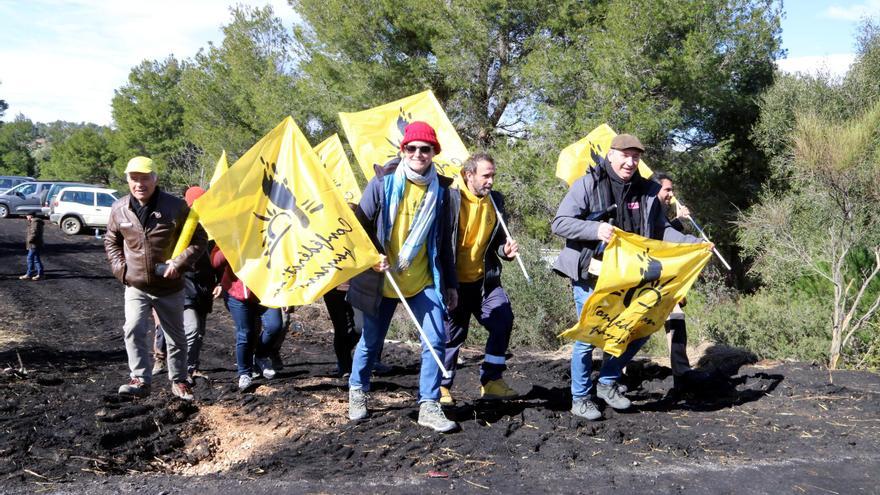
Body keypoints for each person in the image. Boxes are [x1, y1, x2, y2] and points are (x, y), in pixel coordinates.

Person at [551, 134, 704, 420]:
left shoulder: (648, 191)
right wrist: (594, 230)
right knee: (589, 337)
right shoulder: (588, 184)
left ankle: (608, 383)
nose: (631, 162)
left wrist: (690, 242)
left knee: (640, 328)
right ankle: (580, 397)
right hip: (590, 272)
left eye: (636, 157)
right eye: (625, 155)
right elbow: (560, 223)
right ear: (611, 155)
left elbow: (660, 231)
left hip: (630, 276)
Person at [346, 121, 459, 433]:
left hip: (423, 280)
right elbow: (359, 229)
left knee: (436, 341)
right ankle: (357, 390)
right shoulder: (381, 185)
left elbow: (444, 244)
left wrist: (450, 283)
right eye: (412, 148)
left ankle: (429, 405)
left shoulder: (444, 193)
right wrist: (372, 256)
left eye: (425, 149)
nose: (418, 154)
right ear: (403, 150)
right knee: (371, 341)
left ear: (434, 152)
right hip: (383, 280)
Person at [104, 156, 207, 401]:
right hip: (136, 285)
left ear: (155, 179)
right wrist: (122, 271)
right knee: (133, 328)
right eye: (134, 178)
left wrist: (179, 263)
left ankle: (180, 380)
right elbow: (111, 241)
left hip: (169, 286)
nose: (139, 184)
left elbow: (199, 239)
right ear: (128, 180)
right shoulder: (119, 209)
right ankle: (140, 379)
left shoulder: (176, 206)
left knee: (176, 337)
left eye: (145, 178)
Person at [440, 152, 519, 405]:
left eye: (493, 175)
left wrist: (505, 252)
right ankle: (441, 387)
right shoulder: (448, 199)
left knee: (502, 320)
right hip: (453, 284)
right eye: (486, 175)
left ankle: (492, 381)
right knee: (452, 336)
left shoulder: (496, 201)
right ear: (468, 174)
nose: (491, 181)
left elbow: (496, 243)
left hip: (485, 282)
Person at [654, 172, 713, 391]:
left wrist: (679, 221)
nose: (671, 194)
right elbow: (663, 236)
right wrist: (698, 244)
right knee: (632, 326)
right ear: (655, 190)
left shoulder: (660, 209)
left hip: (663, 275)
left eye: (671, 190)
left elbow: (664, 233)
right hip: (643, 274)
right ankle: (614, 377)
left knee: (676, 315)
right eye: (667, 190)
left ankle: (681, 372)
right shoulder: (647, 207)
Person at [211, 245, 284, 391]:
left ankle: (261, 356)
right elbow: (216, 262)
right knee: (246, 333)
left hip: (266, 292)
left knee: (275, 326)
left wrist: (286, 293)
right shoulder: (230, 233)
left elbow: (284, 261)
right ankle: (245, 372)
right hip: (237, 293)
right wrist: (231, 245)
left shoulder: (269, 231)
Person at [20, 213, 44, 281]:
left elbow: (34, 232)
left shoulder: (35, 222)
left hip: (34, 244)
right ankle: (40, 274)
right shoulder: (35, 222)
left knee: (29, 258)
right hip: (36, 243)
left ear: (30, 216)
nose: (26, 217)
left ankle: (29, 274)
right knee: (36, 259)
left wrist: (30, 240)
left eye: (27, 215)